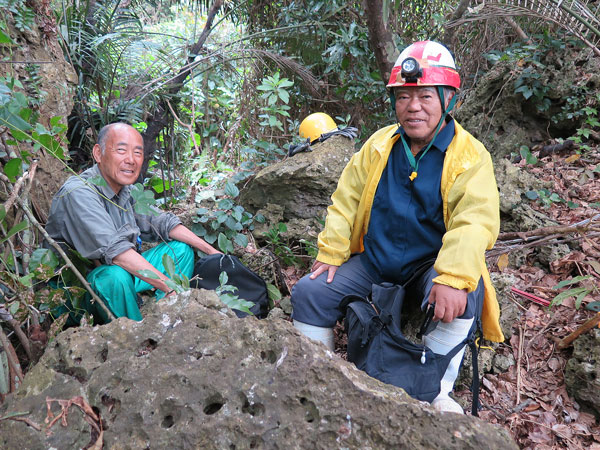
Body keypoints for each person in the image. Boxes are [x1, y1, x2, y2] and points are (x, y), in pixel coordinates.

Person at [290, 41, 504, 414]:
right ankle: (319, 374)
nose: (413, 106)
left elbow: (475, 219)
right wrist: (332, 251)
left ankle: (436, 390)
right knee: (310, 293)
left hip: (427, 267)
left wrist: (452, 276)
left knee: (466, 294)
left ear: (448, 98)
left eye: (425, 95)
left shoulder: (470, 155)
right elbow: (346, 200)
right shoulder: (378, 146)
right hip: (374, 261)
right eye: (404, 97)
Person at [45, 122, 220, 323]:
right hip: (76, 294)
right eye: (121, 150)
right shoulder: (79, 192)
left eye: (137, 153)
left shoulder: (126, 190)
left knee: (180, 251)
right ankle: (137, 338)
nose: (131, 160)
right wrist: (170, 285)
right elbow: (117, 253)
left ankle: (167, 314)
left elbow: (163, 223)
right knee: (114, 277)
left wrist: (211, 252)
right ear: (98, 153)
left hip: (119, 275)